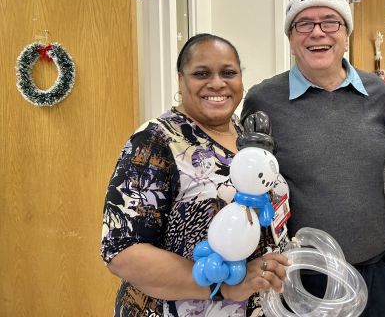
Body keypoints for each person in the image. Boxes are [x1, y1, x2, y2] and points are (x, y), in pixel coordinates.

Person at [241, 0, 385, 316]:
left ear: (346, 35)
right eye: (303, 24)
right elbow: (249, 182)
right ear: (290, 38)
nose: (318, 33)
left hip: (377, 271)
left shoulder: (379, 94)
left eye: (331, 22)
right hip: (303, 279)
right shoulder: (263, 99)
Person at [100, 34, 290, 317]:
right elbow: (122, 253)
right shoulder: (157, 140)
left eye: (228, 73)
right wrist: (222, 286)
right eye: (202, 73)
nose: (217, 83)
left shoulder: (243, 136)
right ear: (181, 80)